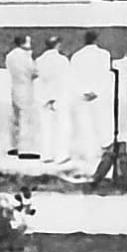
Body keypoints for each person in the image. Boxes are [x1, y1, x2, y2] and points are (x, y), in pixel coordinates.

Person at [67, 30, 113, 166]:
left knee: (85, 124)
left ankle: (89, 153)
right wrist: (97, 91)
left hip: (83, 97)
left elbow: (73, 77)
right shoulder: (104, 55)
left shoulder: (76, 56)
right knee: (102, 122)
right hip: (100, 95)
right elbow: (106, 75)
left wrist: (83, 92)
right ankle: (104, 151)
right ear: (96, 40)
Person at [34, 37, 71, 168]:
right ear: (58, 45)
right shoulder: (63, 60)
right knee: (62, 127)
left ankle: (46, 154)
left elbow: (39, 78)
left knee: (46, 127)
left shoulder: (39, 60)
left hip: (44, 97)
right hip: (59, 96)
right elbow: (65, 79)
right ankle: (61, 155)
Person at [5, 36, 34, 159]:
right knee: (25, 118)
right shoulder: (25, 56)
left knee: (15, 118)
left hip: (14, 87)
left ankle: (13, 146)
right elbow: (33, 71)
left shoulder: (10, 55)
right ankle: (24, 149)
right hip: (25, 87)